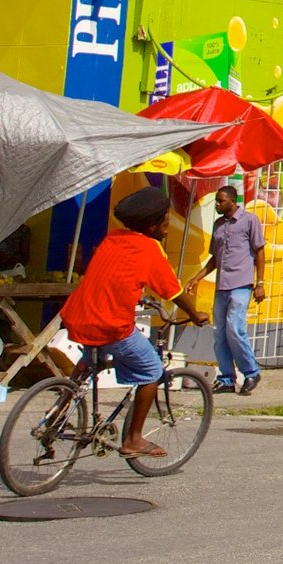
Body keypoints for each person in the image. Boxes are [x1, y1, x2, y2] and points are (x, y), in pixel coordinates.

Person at [58, 185, 204, 460]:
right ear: (152, 226)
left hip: (79, 315)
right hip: (110, 324)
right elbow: (173, 292)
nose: (167, 225)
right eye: (165, 220)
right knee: (152, 371)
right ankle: (134, 439)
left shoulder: (113, 239)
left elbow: (116, 278)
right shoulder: (149, 248)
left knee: (91, 360)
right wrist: (196, 315)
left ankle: (58, 412)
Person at [196, 184, 267, 396]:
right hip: (222, 285)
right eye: (217, 201)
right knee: (220, 334)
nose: (218, 204)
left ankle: (251, 372)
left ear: (233, 201)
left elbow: (260, 251)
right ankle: (227, 378)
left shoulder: (249, 220)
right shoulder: (218, 225)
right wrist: (197, 277)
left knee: (234, 328)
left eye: (221, 201)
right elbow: (215, 258)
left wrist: (260, 283)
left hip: (241, 284)